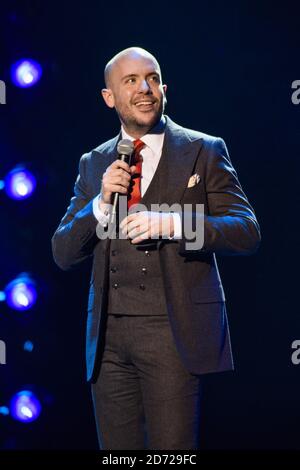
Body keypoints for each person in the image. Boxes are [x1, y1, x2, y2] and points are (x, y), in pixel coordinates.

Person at [51, 47, 260, 450]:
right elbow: (62, 252)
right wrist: (97, 204)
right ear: (109, 97)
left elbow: (246, 231)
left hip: (174, 335)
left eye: (152, 78)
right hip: (108, 343)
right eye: (130, 81)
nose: (144, 89)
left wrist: (176, 224)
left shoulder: (204, 149)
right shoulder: (93, 164)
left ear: (164, 87)